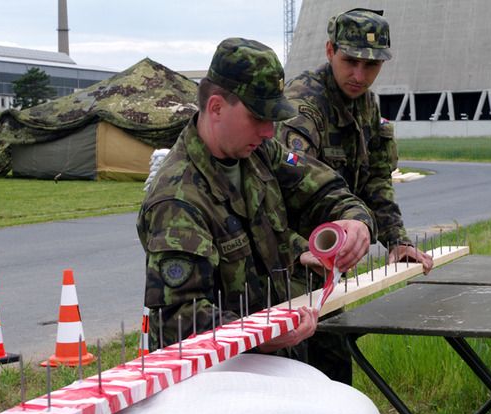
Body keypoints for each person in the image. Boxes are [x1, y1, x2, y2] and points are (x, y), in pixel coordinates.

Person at [137, 38, 377, 361]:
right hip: (222, 381)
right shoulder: (177, 199)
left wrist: (354, 220)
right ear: (216, 108)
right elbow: (178, 320)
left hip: (277, 361)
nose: (268, 131)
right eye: (258, 117)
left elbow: (322, 186)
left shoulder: (259, 153)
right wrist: (262, 334)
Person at [277, 8, 433, 274]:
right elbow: (290, 185)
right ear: (330, 51)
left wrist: (397, 241)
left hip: (334, 252)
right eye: (350, 61)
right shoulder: (303, 105)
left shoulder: (366, 105)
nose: (359, 76)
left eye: (371, 65)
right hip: (291, 257)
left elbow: (376, 179)